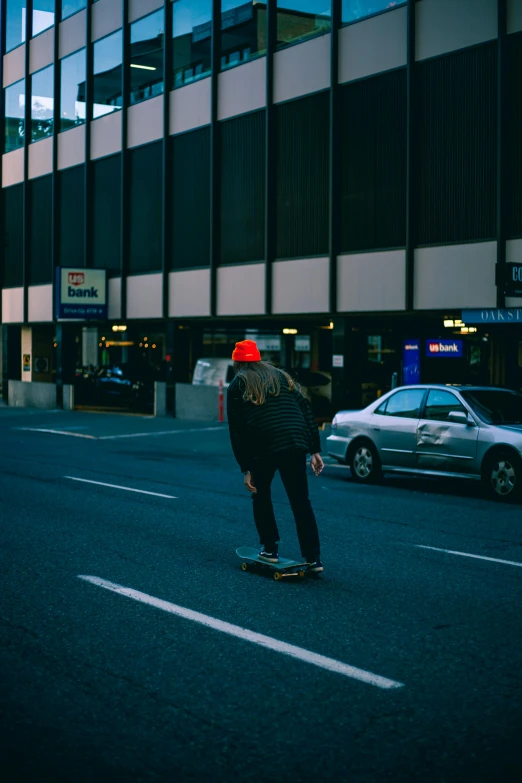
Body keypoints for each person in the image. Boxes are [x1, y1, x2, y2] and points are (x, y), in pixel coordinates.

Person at [227, 339, 324, 573]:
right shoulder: (281, 376)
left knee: (261, 496)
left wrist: (246, 468)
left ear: (237, 362)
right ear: (258, 358)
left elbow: (237, 431)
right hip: (295, 442)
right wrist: (315, 450)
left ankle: (270, 549)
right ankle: (313, 558)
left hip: (265, 446)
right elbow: (305, 410)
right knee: (301, 501)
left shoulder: (238, 384)